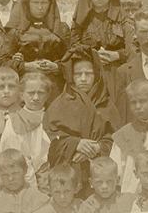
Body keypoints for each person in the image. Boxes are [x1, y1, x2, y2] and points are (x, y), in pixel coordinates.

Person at [44, 49, 119, 186]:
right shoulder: (59, 105)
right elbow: (49, 141)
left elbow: (116, 138)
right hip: (70, 176)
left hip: (102, 179)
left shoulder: (107, 105)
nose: (83, 79)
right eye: (78, 74)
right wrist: (76, 144)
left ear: (96, 75)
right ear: (71, 76)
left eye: (88, 74)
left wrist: (96, 148)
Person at [0, 67, 50, 193]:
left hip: (23, 185)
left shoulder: (30, 120)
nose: (6, 91)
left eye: (11, 87)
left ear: (19, 90)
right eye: (1, 87)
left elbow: (39, 160)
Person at [3, 0, 70, 81]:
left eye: (44, 3)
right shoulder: (15, 29)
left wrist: (56, 67)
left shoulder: (62, 28)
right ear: (27, 4)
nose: (40, 7)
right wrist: (25, 66)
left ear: (50, 3)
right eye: (35, 3)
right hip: (25, 85)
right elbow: (3, 62)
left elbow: (72, 61)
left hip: (55, 85)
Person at [72, 0, 130, 72]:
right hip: (90, 70)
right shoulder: (81, 17)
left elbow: (133, 47)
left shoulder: (122, 15)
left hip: (118, 69)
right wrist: (92, 55)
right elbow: (73, 46)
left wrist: (117, 55)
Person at [0, 149, 50, 213]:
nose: (10, 179)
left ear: (25, 170)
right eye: (5, 175)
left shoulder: (40, 200)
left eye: (15, 173)